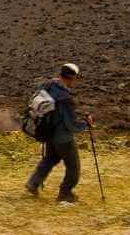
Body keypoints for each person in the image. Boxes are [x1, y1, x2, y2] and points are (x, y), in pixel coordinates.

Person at [25, 62, 92, 203]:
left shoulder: (47, 86)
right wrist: (86, 123)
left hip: (48, 133)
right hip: (63, 138)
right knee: (73, 166)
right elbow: (71, 124)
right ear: (72, 78)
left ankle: (33, 183)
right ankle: (65, 193)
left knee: (50, 159)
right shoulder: (65, 98)